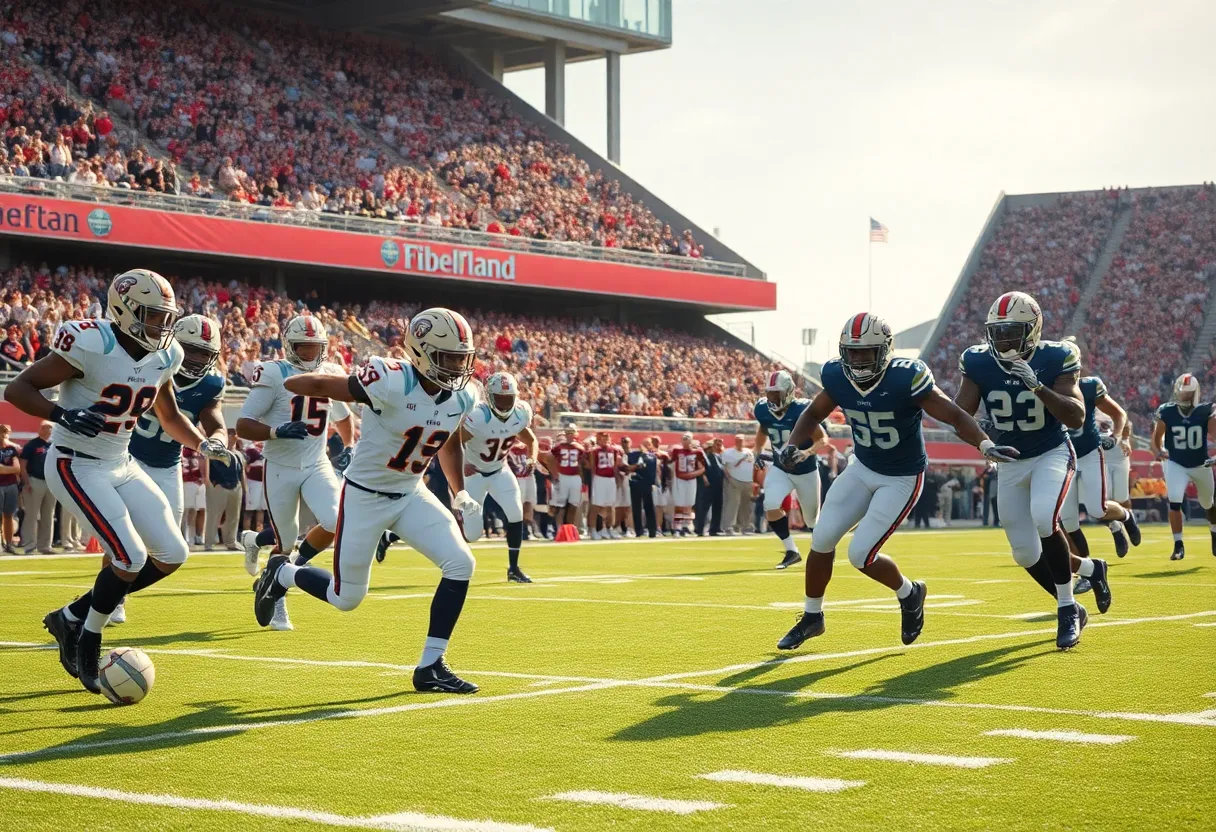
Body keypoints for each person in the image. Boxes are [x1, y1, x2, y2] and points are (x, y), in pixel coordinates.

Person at [7, 269, 229, 695]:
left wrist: (204, 445)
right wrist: (61, 414)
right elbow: (18, 389)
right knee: (129, 557)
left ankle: (71, 616)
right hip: (75, 463)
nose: (162, 326)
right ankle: (87, 638)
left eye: (166, 317)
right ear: (124, 310)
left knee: (173, 552)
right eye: (152, 315)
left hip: (120, 462)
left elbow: (169, 416)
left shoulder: (166, 355)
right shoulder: (93, 343)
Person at [252, 308, 483, 693]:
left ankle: (431, 666)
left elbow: (450, 442)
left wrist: (459, 491)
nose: (458, 366)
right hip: (365, 497)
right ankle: (282, 573)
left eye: (462, 358)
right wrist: (295, 383)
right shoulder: (391, 380)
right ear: (421, 352)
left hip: (410, 492)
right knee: (346, 598)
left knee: (461, 563)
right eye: (449, 357)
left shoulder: (463, 395)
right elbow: (323, 386)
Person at [776, 312, 1017, 652]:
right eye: (852, 352)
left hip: (902, 476)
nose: (858, 360)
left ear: (885, 350)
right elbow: (813, 413)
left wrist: (984, 443)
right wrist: (792, 444)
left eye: (866, 352)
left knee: (861, 554)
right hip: (862, 467)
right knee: (822, 537)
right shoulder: (837, 374)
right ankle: (812, 616)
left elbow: (953, 414)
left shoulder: (906, 377)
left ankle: (910, 592)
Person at [955, 292, 1111, 650]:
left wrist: (1037, 386)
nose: (1004, 340)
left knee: (1044, 517)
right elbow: (959, 414)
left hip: (1050, 452)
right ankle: (1091, 570)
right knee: (1024, 553)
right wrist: (984, 442)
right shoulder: (977, 361)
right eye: (997, 332)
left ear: (1032, 330)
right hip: (1010, 461)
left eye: (1012, 332)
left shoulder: (1056, 356)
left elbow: (1076, 416)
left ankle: (1067, 609)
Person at [237, 314, 356, 631]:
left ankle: (283, 575)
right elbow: (244, 423)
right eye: (303, 346)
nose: (309, 352)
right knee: (285, 539)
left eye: (314, 346)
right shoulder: (275, 373)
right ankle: (279, 590)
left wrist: (348, 446)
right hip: (281, 466)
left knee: (335, 521)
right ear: (290, 346)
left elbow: (344, 416)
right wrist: (275, 431)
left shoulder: (329, 372)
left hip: (317, 463)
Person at [1060, 374, 1142, 595]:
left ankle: (1125, 515)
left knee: (1097, 509)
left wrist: (1116, 436)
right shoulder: (1045, 386)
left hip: (1089, 453)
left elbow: (1119, 414)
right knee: (1068, 521)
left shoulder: (1088, 387)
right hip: (1062, 456)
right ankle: (1088, 571)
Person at [459, 371, 537, 582]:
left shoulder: (520, 413)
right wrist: (463, 462)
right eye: (499, 399)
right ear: (489, 397)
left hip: (500, 471)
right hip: (474, 475)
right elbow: (452, 441)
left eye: (508, 399)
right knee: (472, 535)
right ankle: (396, 535)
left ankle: (514, 568)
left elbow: (531, 440)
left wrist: (532, 458)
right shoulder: (479, 417)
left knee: (516, 513)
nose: (504, 404)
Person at [753, 370, 826, 568]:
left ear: (788, 392)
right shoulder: (762, 409)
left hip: (806, 471)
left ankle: (825, 550)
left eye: (776, 393)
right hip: (781, 469)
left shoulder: (802, 409)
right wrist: (757, 451)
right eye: (769, 393)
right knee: (770, 504)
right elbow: (763, 430)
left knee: (811, 520)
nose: (772, 398)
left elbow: (822, 439)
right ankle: (791, 551)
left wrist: (806, 453)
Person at [1150, 373, 1216, 560]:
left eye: (1187, 393)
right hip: (1176, 462)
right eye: (1182, 392)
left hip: (1201, 463)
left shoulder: (1206, 410)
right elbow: (1156, 438)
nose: (1183, 396)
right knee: (1174, 499)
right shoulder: (1167, 411)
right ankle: (1178, 545)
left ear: (1195, 393)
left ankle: (1214, 531)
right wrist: (1158, 451)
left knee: (1208, 503)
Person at [19, 421, 56, 554]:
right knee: (32, 515)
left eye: (50, 428)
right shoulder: (32, 445)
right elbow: (22, 465)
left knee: (48, 515)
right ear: (40, 429)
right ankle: (29, 545)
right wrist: (26, 482)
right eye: (44, 428)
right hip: (34, 480)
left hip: (50, 482)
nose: (47, 430)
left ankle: (45, 545)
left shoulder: (54, 445)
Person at [206, 430, 245, 550]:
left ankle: (231, 541)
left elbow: (242, 472)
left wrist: (244, 488)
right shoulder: (217, 452)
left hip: (236, 486)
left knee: (234, 516)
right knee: (214, 515)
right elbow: (212, 468)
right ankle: (209, 542)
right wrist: (213, 483)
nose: (235, 436)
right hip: (220, 486)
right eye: (232, 434)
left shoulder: (239, 454)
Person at [546, 424, 586, 528]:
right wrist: (555, 473)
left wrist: (582, 479)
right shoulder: (559, 447)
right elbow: (549, 459)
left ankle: (569, 529)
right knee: (559, 505)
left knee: (573, 505)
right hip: (562, 476)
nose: (570, 435)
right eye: (568, 432)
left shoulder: (580, 447)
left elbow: (581, 464)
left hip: (575, 477)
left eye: (572, 433)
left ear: (576, 434)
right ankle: (558, 528)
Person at [669, 432, 706, 536]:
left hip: (691, 480)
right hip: (679, 479)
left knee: (689, 505)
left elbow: (702, 468)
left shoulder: (697, 452)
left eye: (688, 438)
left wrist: (692, 474)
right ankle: (677, 527)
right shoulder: (677, 451)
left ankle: (686, 526)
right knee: (679, 504)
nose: (685, 440)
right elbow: (670, 462)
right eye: (684, 438)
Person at [587, 430, 623, 539]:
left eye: (607, 437)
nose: (605, 439)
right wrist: (594, 479)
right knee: (596, 505)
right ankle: (593, 530)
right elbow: (592, 466)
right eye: (602, 437)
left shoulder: (614, 450)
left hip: (610, 479)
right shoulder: (594, 451)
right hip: (599, 478)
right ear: (598, 439)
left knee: (610, 505)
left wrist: (617, 479)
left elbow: (615, 467)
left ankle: (608, 528)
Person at [720, 434, 755, 534]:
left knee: (746, 505)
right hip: (734, 481)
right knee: (732, 504)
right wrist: (729, 479)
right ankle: (728, 527)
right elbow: (724, 467)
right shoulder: (728, 452)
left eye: (742, 440)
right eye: (738, 440)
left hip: (747, 482)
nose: (740, 442)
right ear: (735, 441)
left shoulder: (748, 452)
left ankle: (744, 526)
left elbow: (752, 466)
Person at [626, 436, 658, 538]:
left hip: (647, 484)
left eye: (649, 444)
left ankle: (652, 531)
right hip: (635, 483)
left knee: (649, 507)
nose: (647, 446)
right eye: (645, 444)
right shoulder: (634, 455)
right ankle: (638, 531)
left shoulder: (652, 456)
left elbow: (652, 470)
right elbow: (628, 466)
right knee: (636, 508)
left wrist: (653, 483)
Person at [695, 437, 724, 536]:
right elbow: (702, 468)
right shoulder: (704, 457)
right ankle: (700, 529)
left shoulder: (718, 457)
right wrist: (704, 478)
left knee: (717, 507)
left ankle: (714, 528)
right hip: (708, 485)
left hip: (718, 485)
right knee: (704, 507)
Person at [0, 424, 21, 553]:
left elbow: (17, 468)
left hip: (11, 485)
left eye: (6, 433)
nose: (4, 436)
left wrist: (5, 469)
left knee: (8, 515)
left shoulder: (11, 449)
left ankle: (8, 544)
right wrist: (10, 469)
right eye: (2, 433)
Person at [243, 440, 266, 533]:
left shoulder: (267, 445)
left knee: (261, 509)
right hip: (253, 482)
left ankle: (259, 533)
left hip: (264, 482)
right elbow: (245, 464)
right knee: (249, 510)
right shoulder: (250, 448)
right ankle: (246, 534)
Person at [981, 462, 1000, 527]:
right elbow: (981, 478)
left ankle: (996, 521)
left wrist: (987, 477)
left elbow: (995, 476)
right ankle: (985, 522)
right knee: (986, 508)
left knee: (995, 508)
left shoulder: (994, 471)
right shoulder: (985, 471)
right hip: (986, 492)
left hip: (993, 492)